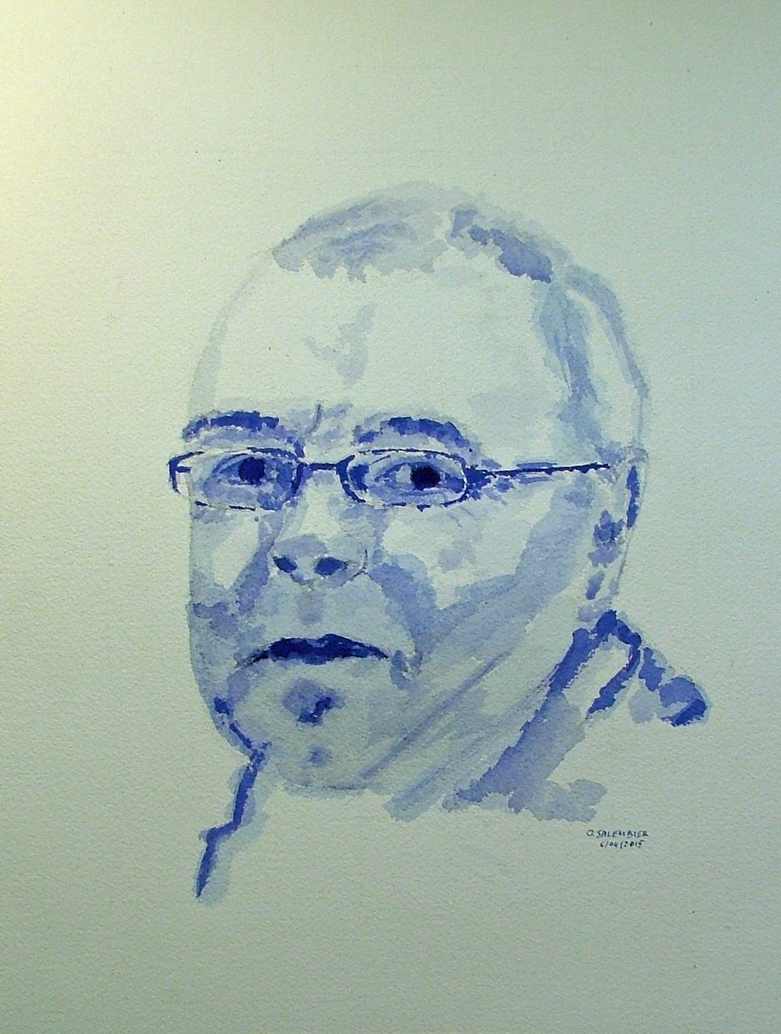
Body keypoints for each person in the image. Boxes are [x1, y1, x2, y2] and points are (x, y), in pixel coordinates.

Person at [169, 183, 707, 897]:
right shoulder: (229, 853)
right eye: (247, 469)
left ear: (607, 525)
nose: (306, 541)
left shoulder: (693, 827)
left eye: (419, 476)